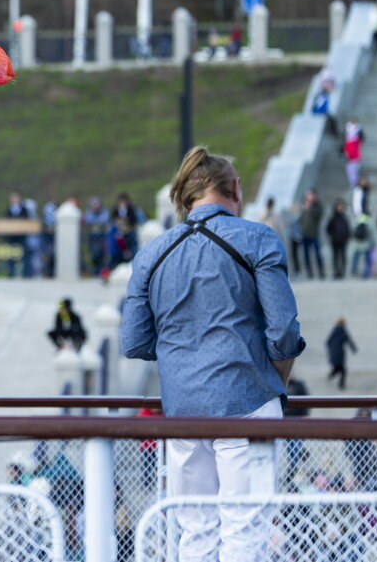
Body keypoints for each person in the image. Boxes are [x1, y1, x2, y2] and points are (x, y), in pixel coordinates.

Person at [122, 146, 305, 562]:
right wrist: (275, 370)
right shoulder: (258, 239)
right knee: (246, 529)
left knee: (195, 531)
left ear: (187, 196)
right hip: (248, 400)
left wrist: (180, 350)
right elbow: (284, 331)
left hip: (183, 408)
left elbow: (133, 341)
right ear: (236, 189)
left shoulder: (151, 253)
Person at [298, 189, 324, 279]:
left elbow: (318, 216)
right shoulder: (304, 206)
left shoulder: (317, 206)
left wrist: (310, 208)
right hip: (304, 234)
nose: (309, 197)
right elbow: (301, 219)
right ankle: (309, 272)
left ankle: (321, 271)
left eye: (311, 195)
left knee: (317, 254)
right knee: (306, 255)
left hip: (314, 234)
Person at [325, 318, 357, 390]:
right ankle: (341, 385)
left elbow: (327, 342)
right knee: (342, 370)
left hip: (333, 353)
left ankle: (330, 378)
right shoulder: (342, 330)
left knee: (337, 369)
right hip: (339, 354)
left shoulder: (334, 330)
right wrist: (354, 349)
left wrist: (331, 350)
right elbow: (349, 340)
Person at [326, 198, 350, 280]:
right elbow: (328, 229)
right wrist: (333, 236)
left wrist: (346, 237)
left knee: (343, 256)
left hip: (343, 241)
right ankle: (336, 272)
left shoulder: (344, 218)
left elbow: (347, 229)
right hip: (335, 241)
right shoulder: (333, 218)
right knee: (335, 257)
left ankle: (342, 271)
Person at [349, 213, 374, 278]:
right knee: (367, 261)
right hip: (366, 244)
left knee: (355, 259)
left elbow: (353, 232)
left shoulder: (357, 220)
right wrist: (372, 243)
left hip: (357, 244)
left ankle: (353, 271)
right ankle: (365, 274)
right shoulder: (368, 221)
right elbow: (371, 233)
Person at [343, 119, 364, 189]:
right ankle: (355, 183)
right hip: (351, 154)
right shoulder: (348, 134)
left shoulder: (357, 134)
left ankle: (356, 183)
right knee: (350, 170)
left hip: (354, 155)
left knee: (354, 170)